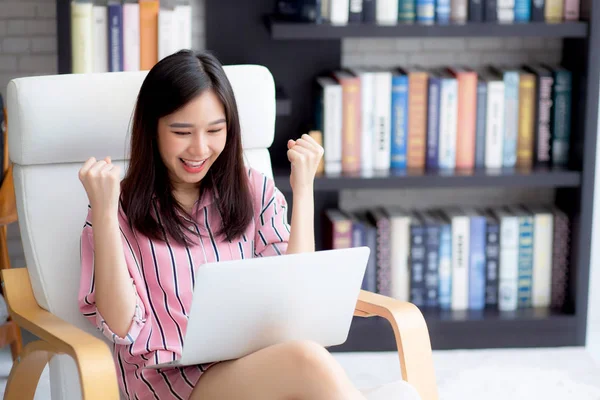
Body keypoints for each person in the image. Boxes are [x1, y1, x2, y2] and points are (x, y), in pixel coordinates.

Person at [77, 50, 367, 400]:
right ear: (152, 130)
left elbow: (295, 303)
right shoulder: (118, 207)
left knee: (305, 360)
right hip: (170, 382)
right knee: (307, 361)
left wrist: (303, 189)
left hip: (251, 365)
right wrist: (105, 213)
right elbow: (121, 325)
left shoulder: (253, 189)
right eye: (181, 131)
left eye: (215, 130)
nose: (200, 148)